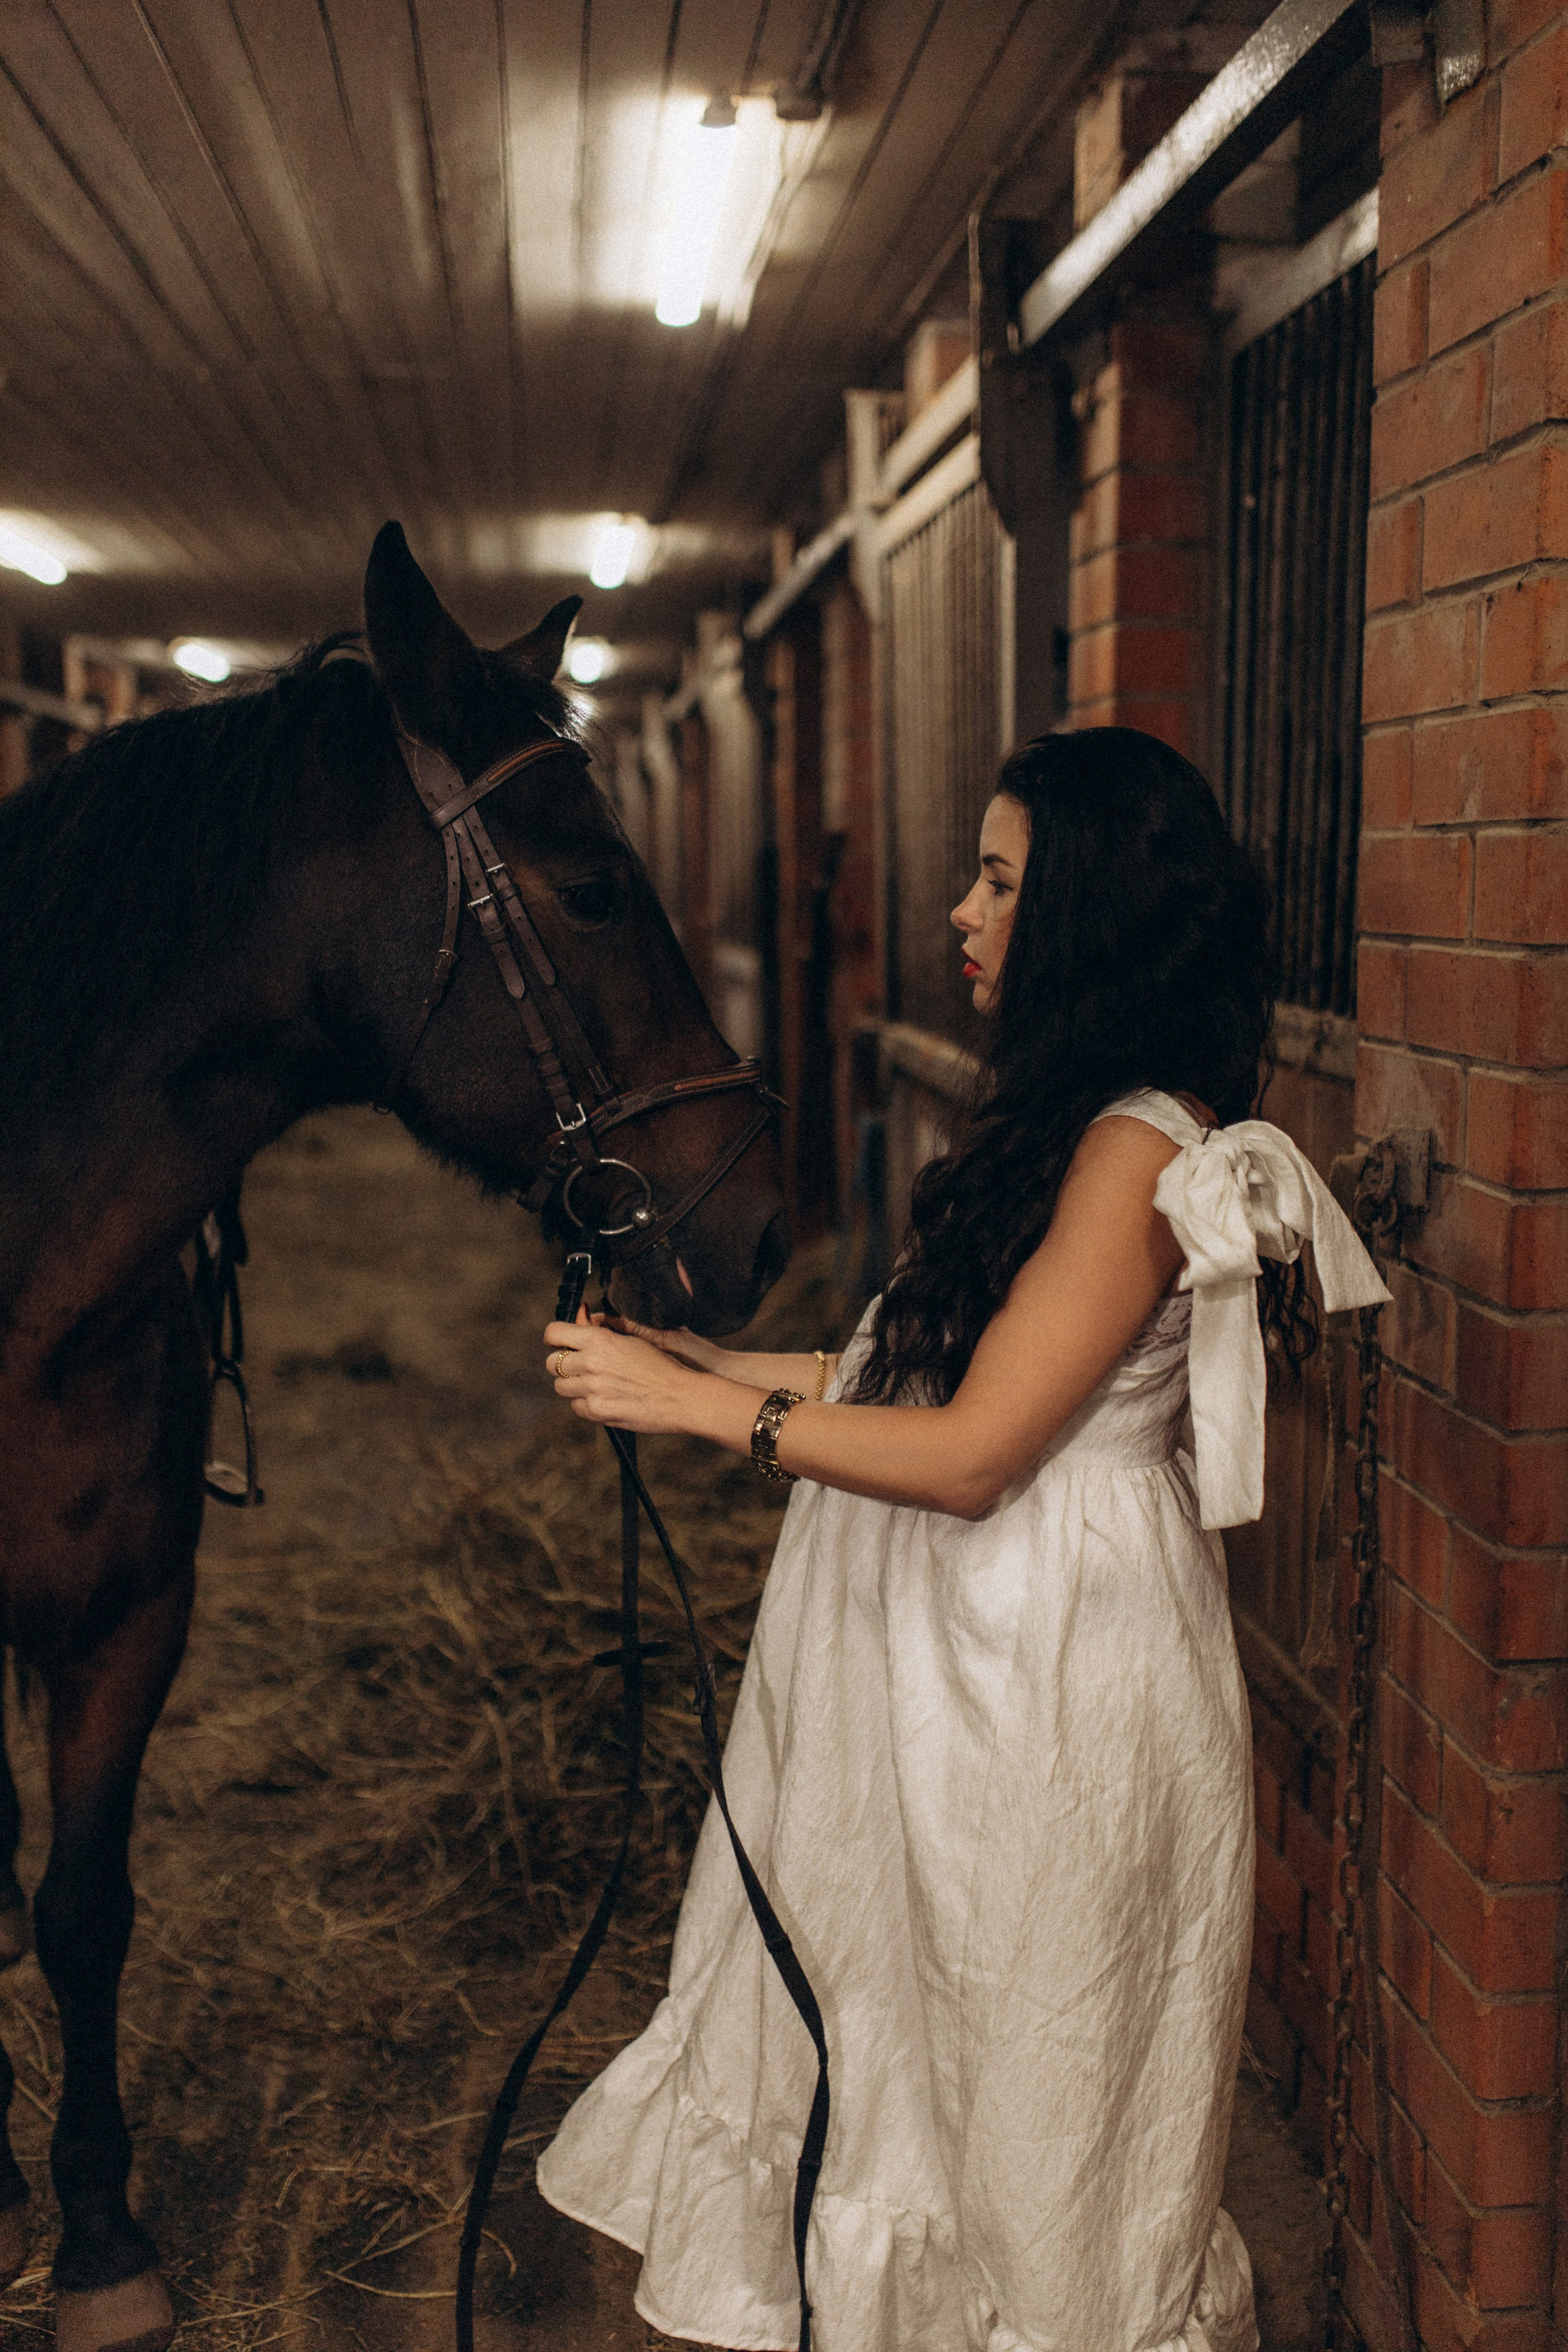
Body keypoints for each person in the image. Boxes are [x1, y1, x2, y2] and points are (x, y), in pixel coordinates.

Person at [535, 728, 1389, 2352]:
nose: (960, 913)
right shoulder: (1063, 1125)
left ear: (1082, 907)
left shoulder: (1140, 1144)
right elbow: (911, 1376)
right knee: (916, 2048)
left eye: (999, 877)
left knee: (1032, 2082)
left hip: (1047, 1678)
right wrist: (698, 1365)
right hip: (956, 1661)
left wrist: (711, 1419)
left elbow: (981, 1453)